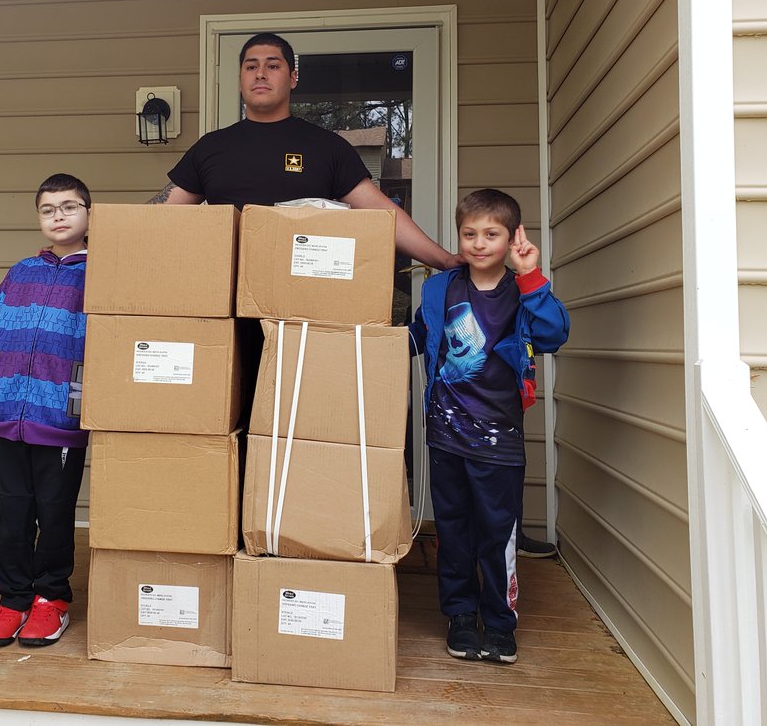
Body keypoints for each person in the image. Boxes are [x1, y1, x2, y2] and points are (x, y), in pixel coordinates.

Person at [409, 189, 569, 664]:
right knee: (453, 529)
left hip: (499, 438)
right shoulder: (441, 288)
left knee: (497, 533)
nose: (479, 244)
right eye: (470, 233)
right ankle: (460, 614)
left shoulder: (522, 291)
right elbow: (419, 336)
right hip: (444, 434)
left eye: (491, 234)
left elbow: (553, 335)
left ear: (513, 237)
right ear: (459, 236)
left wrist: (531, 276)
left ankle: (499, 621)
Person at [148, 32, 461, 272]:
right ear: (241, 79)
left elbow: (383, 214)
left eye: (273, 65)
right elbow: (159, 214)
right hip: (225, 303)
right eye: (251, 66)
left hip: (300, 303)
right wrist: (107, 230)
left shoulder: (326, 147)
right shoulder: (211, 147)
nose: (260, 74)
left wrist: (445, 260)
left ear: (293, 77)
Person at [0, 173, 92, 648]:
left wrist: (80, 396)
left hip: (60, 418)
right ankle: (13, 598)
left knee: (55, 511)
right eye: (48, 209)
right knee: (13, 513)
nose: (58, 216)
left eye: (69, 206)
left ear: (88, 213)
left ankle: (51, 599)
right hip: (9, 414)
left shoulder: (101, 272)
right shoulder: (21, 271)